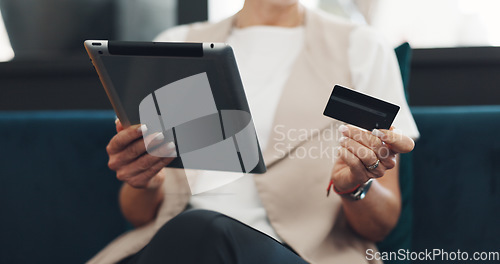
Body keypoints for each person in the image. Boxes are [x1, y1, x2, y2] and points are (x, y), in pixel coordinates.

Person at [88, 0, 419, 263]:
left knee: (201, 229)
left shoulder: (360, 48)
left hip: (300, 254)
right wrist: (145, 179)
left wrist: (356, 188)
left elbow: (382, 223)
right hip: (173, 246)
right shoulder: (175, 43)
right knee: (192, 234)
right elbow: (138, 213)